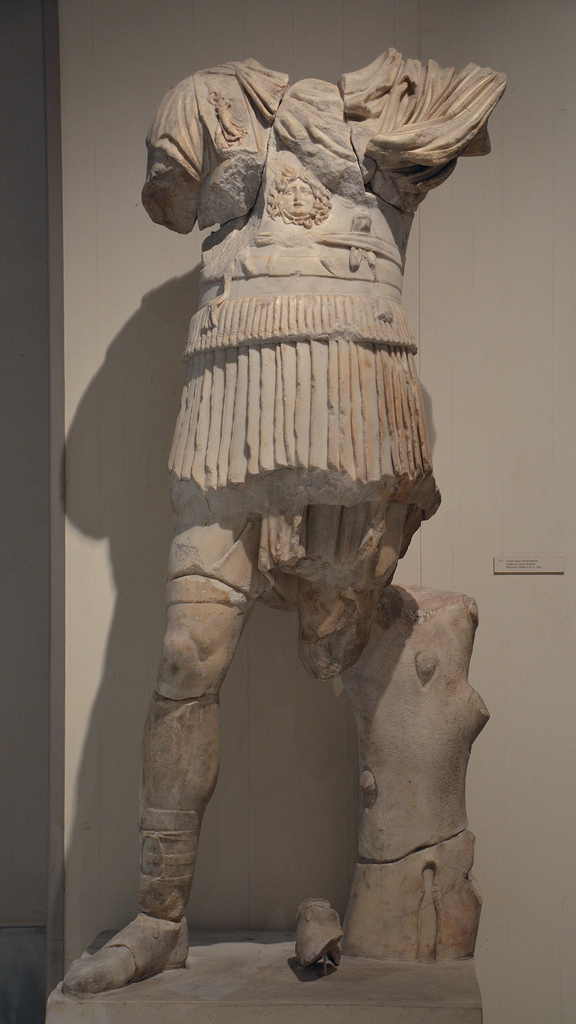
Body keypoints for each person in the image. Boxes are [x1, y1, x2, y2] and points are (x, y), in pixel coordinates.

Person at [63, 49, 505, 995]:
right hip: (231, 397)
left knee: (365, 646)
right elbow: (175, 200)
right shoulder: (202, 101)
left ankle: (411, 894)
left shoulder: (411, 97)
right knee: (188, 656)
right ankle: (160, 914)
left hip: (357, 391)